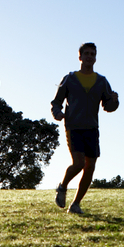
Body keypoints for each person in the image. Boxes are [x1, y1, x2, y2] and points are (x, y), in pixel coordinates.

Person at [50, 42, 119, 214]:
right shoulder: (70, 78)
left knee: (90, 167)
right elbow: (56, 102)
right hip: (73, 127)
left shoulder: (102, 81)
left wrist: (115, 100)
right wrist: (57, 112)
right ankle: (63, 186)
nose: (89, 57)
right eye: (86, 53)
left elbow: (108, 107)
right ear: (80, 57)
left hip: (92, 128)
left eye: (92, 54)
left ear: (95, 58)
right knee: (79, 163)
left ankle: (76, 204)